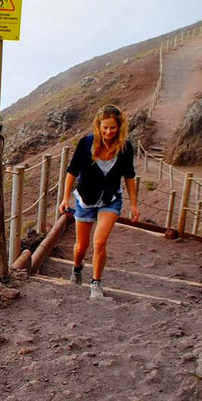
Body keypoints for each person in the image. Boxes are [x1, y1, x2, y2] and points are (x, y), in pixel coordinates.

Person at [59, 105, 140, 300]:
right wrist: (65, 197)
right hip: (86, 199)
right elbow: (72, 171)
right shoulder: (86, 143)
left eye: (112, 128)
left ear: (119, 127)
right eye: (105, 128)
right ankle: (77, 269)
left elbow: (129, 176)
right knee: (81, 246)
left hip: (110, 199)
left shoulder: (125, 148)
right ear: (98, 126)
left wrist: (135, 205)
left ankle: (96, 283)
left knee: (100, 242)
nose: (109, 132)